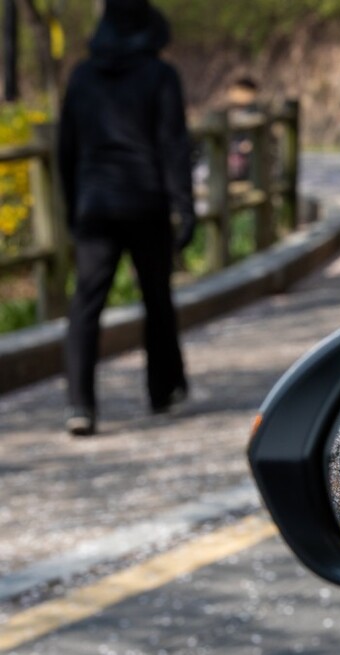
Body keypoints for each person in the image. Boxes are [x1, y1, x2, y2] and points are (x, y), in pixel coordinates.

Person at [58, 0, 194, 436]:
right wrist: (185, 207)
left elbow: (66, 150)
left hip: (95, 204)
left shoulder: (81, 76)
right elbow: (174, 147)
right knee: (156, 297)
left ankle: (80, 405)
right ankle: (163, 390)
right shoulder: (160, 75)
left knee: (85, 304)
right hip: (146, 202)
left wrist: (72, 208)